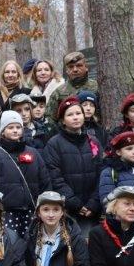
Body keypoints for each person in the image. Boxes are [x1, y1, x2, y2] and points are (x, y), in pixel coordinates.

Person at [0, 110, 51, 237]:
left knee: (31, 247)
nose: (15, 130)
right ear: (3, 131)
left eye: (18, 127)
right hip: (6, 212)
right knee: (9, 247)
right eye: (10, 127)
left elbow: (44, 181)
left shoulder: (33, 153)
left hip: (31, 210)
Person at [43, 96, 104, 237]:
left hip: (92, 208)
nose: (75, 117)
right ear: (63, 120)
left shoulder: (93, 141)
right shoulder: (54, 144)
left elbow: (102, 172)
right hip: (68, 209)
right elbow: (55, 177)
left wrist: (93, 202)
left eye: (78, 113)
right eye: (70, 115)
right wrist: (75, 203)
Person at [46, 51, 99, 124]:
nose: (75, 70)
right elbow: (50, 119)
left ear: (86, 67)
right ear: (67, 70)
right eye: (71, 67)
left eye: (79, 65)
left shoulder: (97, 87)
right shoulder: (59, 92)